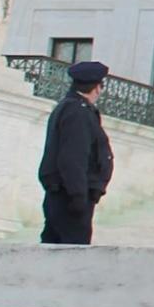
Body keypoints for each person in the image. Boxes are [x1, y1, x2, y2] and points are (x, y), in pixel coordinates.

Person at [37, 60, 113, 245]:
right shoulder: (77, 111)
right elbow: (73, 157)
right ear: (96, 88)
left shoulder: (72, 108)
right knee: (72, 251)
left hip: (67, 194)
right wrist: (78, 195)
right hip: (70, 197)